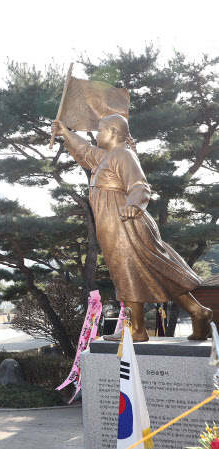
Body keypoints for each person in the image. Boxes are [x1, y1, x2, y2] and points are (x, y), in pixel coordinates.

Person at [52, 116, 212, 341]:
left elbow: (139, 184)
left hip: (124, 221)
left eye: (100, 131)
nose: (97, 135)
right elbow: (85, 152)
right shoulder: (106, 156)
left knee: (125, 269)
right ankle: (198, 312)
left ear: (114, 132)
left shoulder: (124, 155)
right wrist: (65, 133)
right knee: (151, 269)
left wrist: (133, 205)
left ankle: (137, 329)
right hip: (113, 223)